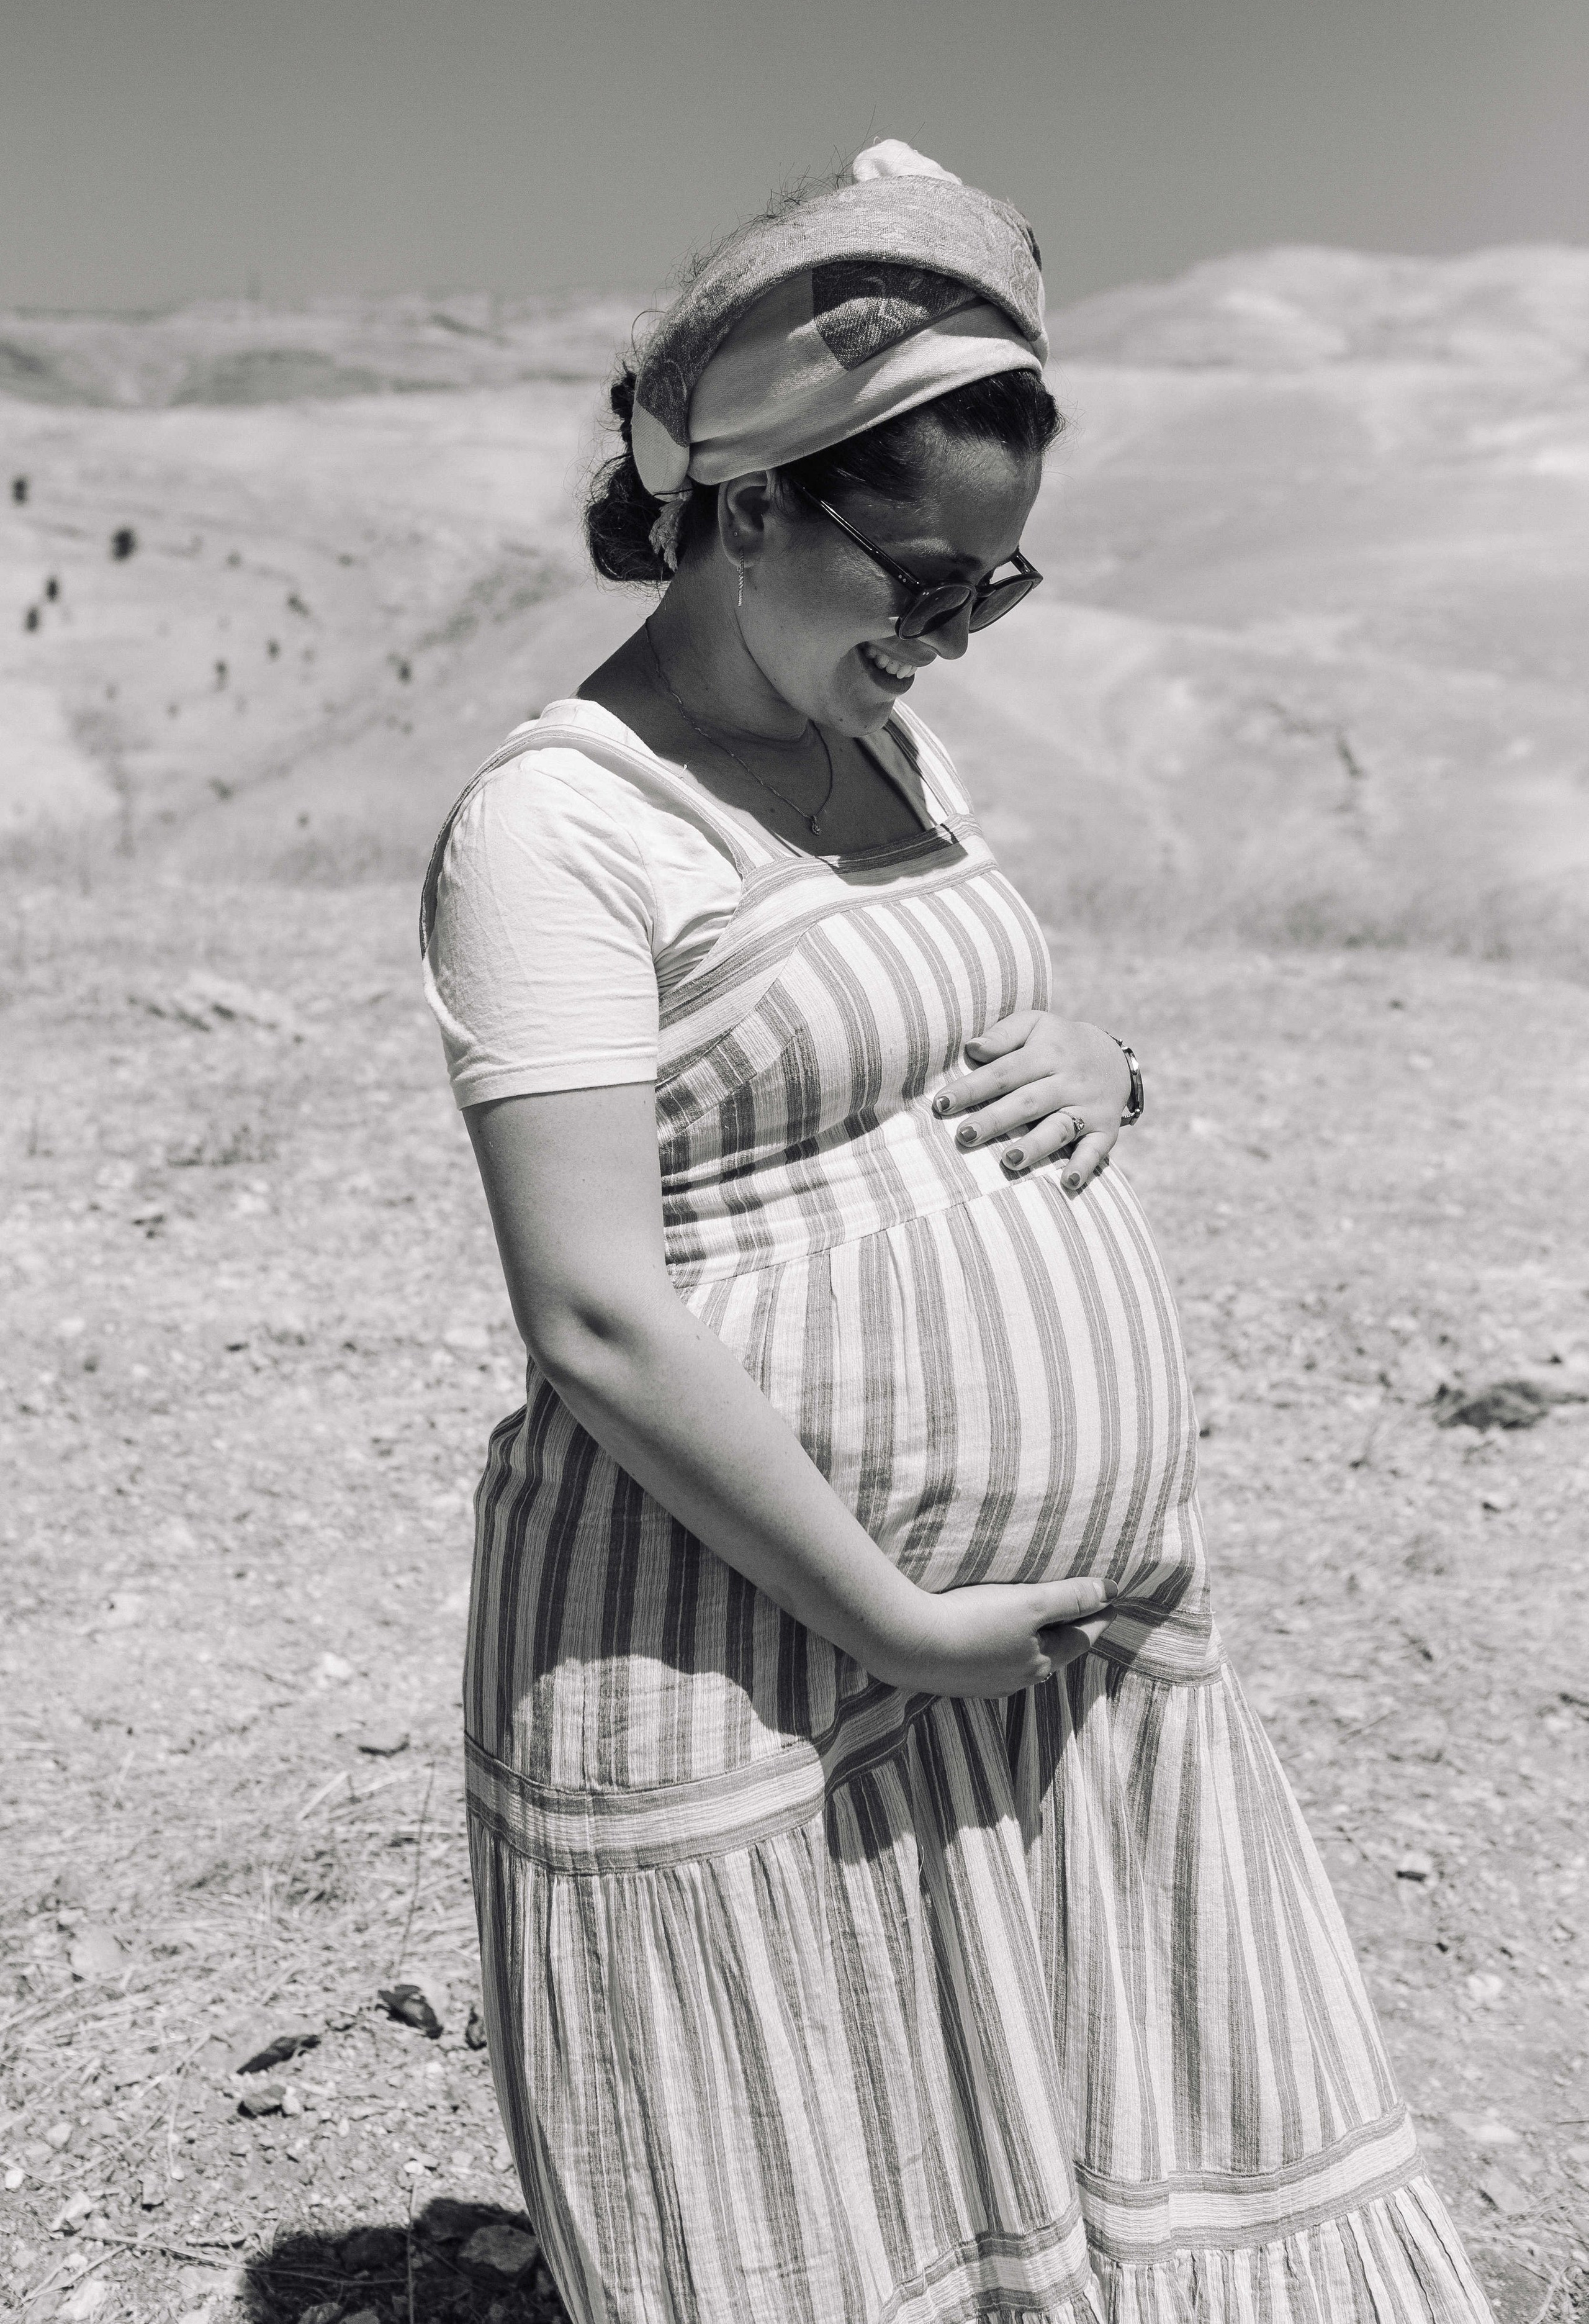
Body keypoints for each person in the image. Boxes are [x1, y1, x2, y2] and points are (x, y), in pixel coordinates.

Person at [422, 142, 1490, 2324]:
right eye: (918, 579)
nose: (943, 637)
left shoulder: (894, 751)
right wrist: (896, 1616)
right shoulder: (556, 829)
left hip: (1031, 1677)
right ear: (747, 510)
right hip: (753, 1658)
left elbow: (948, 1021)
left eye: (994, 594)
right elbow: (594, 1310)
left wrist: (1101, 1055)